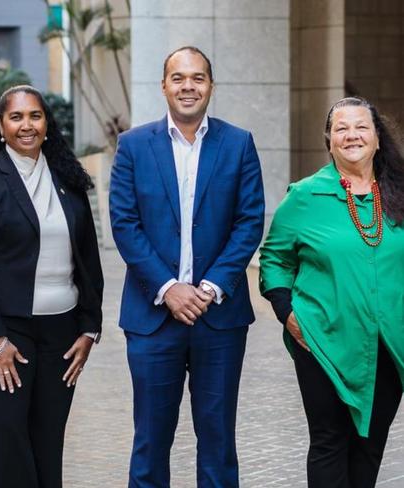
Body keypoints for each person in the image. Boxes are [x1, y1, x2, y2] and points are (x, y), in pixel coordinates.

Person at [109, 46, 265, 487]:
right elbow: (125, 223)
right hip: (152, 318)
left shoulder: (239, 143)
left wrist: (212, 286)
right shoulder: (134, 146)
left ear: (211, 86)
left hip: (219, 319)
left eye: (198, 78)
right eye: (178, 78)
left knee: (217, 442)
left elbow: (249, 220)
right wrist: (169, 287)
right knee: (150, 443)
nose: (188, 86)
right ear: (164, 86)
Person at [0, 85, 103, 488]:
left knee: (48, 440)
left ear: (47, 124)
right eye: (16, 117)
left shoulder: (68, 180)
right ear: (0, 126)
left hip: (62, 335)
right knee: (7, 442)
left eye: (35, 116)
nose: (26, 125)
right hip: (3, 334)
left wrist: (89, 328)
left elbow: (88, 259)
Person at [259, 96, 404, 487]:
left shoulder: (399, 192)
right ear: (329, 140)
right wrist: (286, 311)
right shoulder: (305, 196)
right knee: (329, 441)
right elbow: (274, 259)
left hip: (388, 345)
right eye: (341, 128)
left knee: (371, 444)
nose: (351, 135)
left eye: (361, 127)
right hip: (322, 341)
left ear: (377, 138)